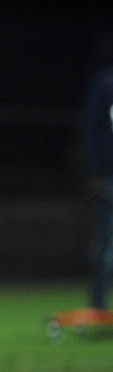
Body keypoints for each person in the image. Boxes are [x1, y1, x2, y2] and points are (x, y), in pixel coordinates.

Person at [80, 58, 113, 313]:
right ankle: (98, 305)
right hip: (108, 176)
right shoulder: (104, 83)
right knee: (104, 245)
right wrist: (95, 173)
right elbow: (92, 128)